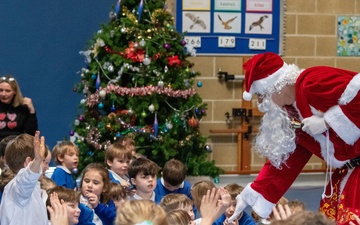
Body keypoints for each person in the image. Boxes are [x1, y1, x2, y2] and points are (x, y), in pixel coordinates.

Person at [228, 52, 360, 225]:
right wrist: (250, 195)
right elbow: (285, 162)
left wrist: (327, 122)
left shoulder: (312, 82)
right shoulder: (292, 115)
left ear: (277, 86)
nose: (262, 104)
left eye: (262, 96)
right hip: (348, 174)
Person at [0, 131, 48, 224]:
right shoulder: (18, 189)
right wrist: (37, 161)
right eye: (43, 160)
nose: (47, 167)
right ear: (29, 162)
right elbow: (27, 179)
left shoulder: (30, 190)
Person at [0, 75, 38, 141]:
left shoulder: (22, 108)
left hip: (16, 147)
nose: (3, 94)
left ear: (15, 92)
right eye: (1, 90)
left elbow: (31, 134)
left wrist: (32, 111)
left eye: (8, 91)